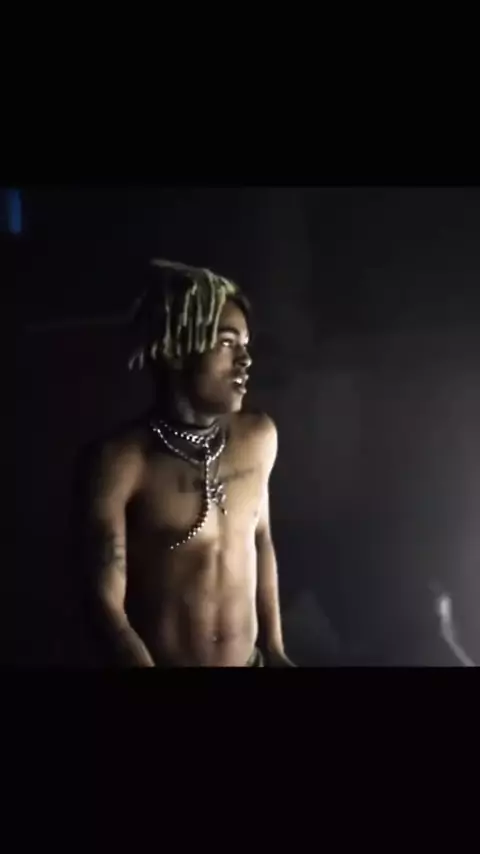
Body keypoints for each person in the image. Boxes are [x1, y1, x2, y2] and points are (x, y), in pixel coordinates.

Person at [80, 259, 294, 667]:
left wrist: (276, 649)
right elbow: (104, 604)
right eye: (227, 343)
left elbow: (260, 540)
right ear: (177, 350)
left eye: (245, 344)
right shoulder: (121, 463)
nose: (245, 360)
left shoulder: (258, 438)